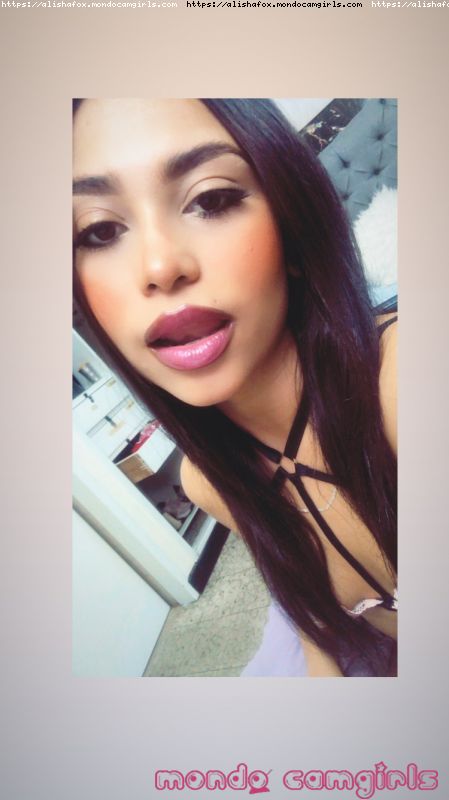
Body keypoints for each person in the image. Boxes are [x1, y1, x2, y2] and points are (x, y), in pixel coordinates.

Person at [73, 98, 397, 677]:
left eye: (212, 199)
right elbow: (308, 605)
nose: (160, 266)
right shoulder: (207, 484)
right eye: (100, 231)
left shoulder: (400, 384)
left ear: (293, 228)